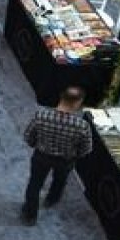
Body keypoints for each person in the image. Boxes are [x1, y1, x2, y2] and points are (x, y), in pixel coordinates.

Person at [21, 86, 93, 226]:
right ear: (78, 103)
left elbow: (28, 136)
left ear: (61, 97)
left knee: (35, 184)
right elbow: (86, 149)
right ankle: (51, 199)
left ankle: (30, 215)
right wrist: (74, 155)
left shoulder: (41, 115)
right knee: (60, 180)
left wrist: (37, 145)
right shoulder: (82, 126)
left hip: (41, 156)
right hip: (65, 160)